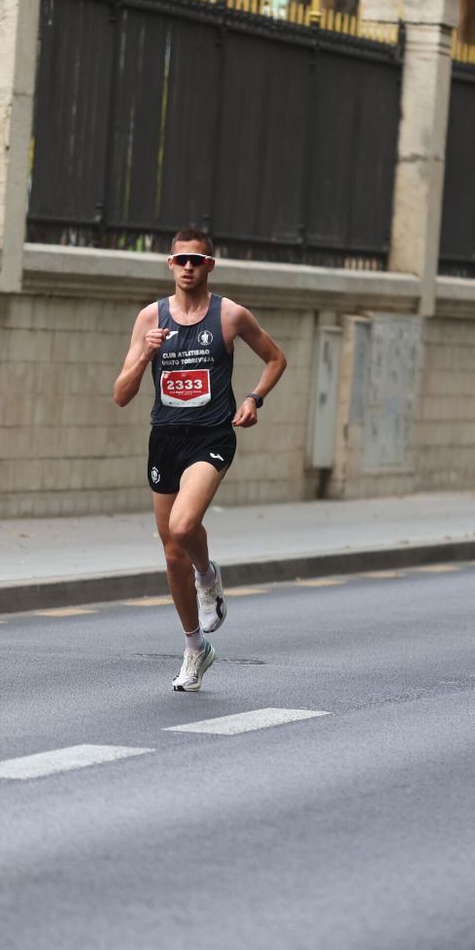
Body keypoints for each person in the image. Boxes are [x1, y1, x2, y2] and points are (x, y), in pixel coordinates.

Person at [112, 227, 286, 691]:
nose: (188, 267)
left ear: (209, 266)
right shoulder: (150, 318)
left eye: (197, 260)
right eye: (180, 259)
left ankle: (208, 579)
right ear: (170, 265)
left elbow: (275, 359)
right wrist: (143, 354)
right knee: (171, 557)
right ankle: (195, 650)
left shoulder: (229, 316)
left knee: (183, 527)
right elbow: (121, 395)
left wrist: (253, 399)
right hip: (165, 438)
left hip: (211, 435)